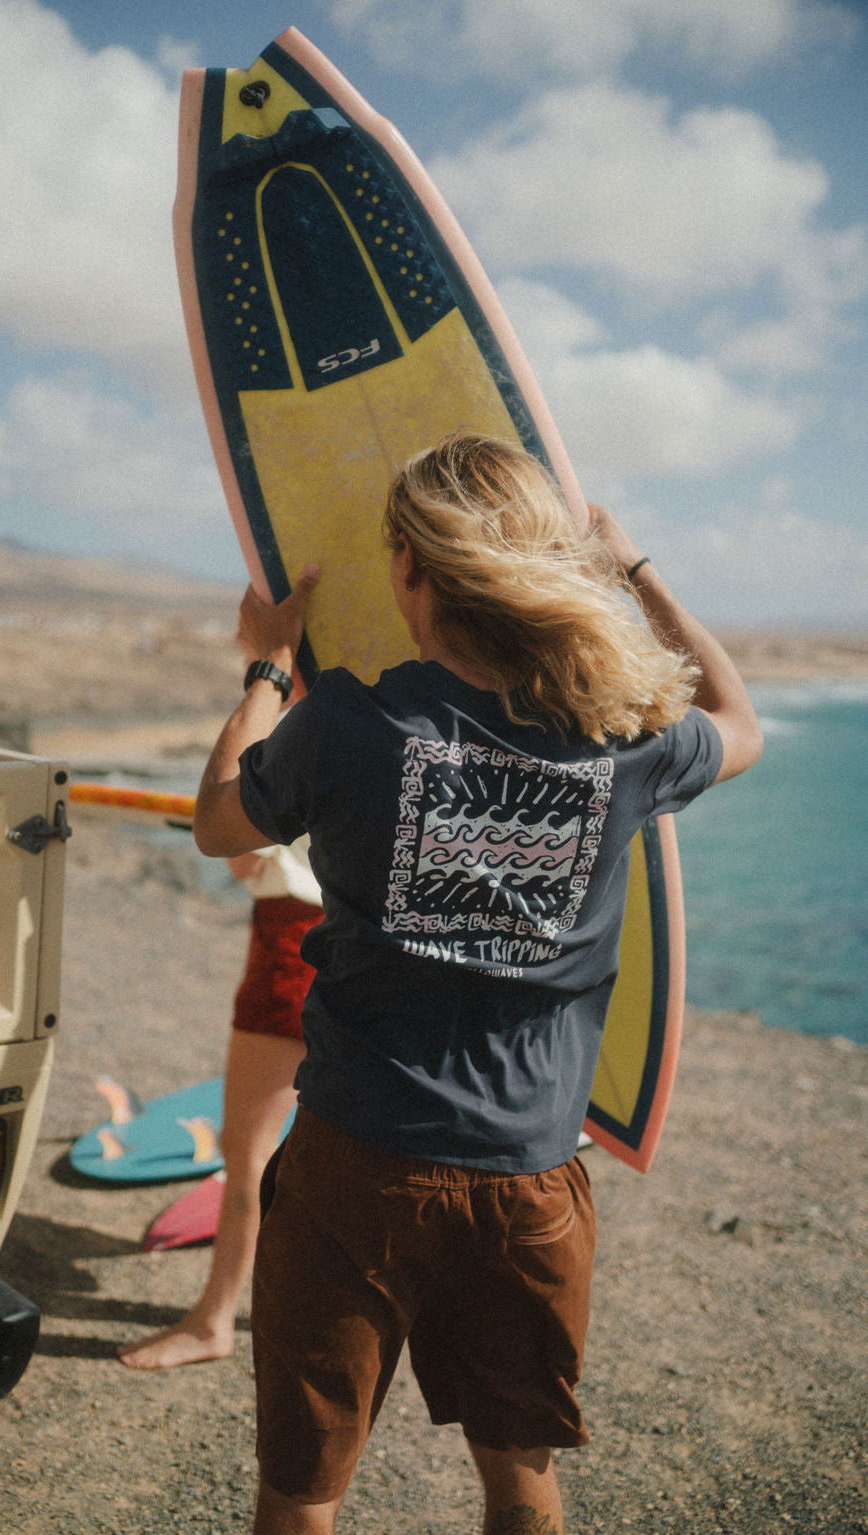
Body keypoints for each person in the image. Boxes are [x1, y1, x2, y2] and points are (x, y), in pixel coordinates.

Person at [191, 433, 763, 1534]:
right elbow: (737, 721)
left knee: (303, 1491)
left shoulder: (347, 725)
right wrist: (633, 568)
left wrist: (268, 665)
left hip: (354, 1166)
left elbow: (221, 824)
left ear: (408, 564)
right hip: (528, 1184)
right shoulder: (622, 741)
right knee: (520, 1482)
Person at [116, 808, 321, 1370]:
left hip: (295, 946)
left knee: (247, 1150)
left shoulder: (301, 728)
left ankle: (214, 1321)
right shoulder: (413, 732)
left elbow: (240, 856)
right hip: (369, 947)